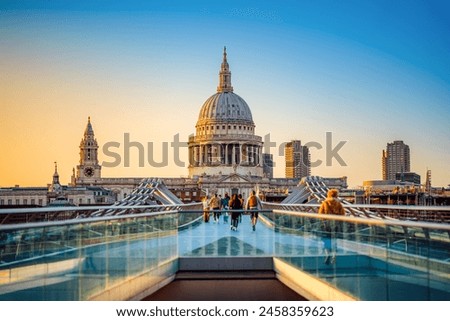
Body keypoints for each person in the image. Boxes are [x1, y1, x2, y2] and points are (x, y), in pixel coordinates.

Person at [318, 189, 345, 264]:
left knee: (326, 240)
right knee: (334, 241)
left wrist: (324, 221)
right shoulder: (338, 203)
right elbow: (342, 214)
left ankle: (327, 254)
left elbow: (320, 214)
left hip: (327, 225)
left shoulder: (325, 202)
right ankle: (334, 256)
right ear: (336, 195)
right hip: (336, 224)